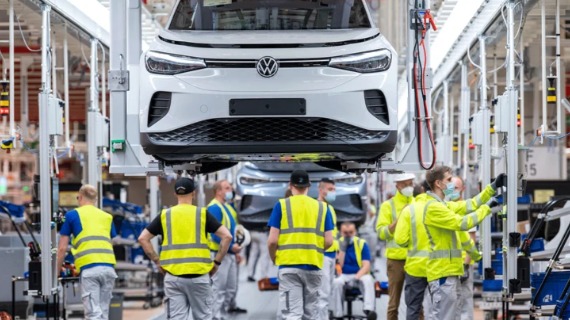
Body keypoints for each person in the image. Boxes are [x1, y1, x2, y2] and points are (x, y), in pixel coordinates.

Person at [394, 176, 491, 320]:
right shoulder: (441, 208)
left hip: (416, 268)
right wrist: (477, 257)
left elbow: (400, 240)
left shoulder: (409, 210)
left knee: (415, 309)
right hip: (440, 267)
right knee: (443, 308)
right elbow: (462, 236)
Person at [138, 177, 232, 320]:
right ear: (193, 193)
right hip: (199, 277)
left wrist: (157, 262)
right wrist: (217, 263)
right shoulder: (202, 214)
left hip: (173, 278)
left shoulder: (165, 215)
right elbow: (227, 237)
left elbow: (143, 238)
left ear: (176, 194)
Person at [423, 166, 505, 320]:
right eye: (448, 180)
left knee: (452, 316)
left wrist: (492, 188)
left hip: (450, 272)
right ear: (438, 183)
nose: (452, 184)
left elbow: (470, 204)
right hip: (442, 273)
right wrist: (487, 208)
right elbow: (463, 223)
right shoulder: (434, 208)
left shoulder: (443, 205)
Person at [267, 169, 334, 320]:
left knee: (292, 314)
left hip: (289, 266)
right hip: (313, 266)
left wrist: (274, 258)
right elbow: (329, 241)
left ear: (290, 185)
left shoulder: (281, 205)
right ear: (308, 186)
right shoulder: (322, 208)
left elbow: (272, 241)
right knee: (311, 315)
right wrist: (313, 249)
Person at [56, 185, 117, 320]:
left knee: (93, 314)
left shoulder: (72, 215)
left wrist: (56, 272)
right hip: (109, 269)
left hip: (90, 270)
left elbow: (61, 248)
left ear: (81, 197)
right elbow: (110, 242)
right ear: (95, 200)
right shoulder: (107, 216)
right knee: (103, 312)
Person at [376, 173, 415, 320]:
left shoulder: (417, 202)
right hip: (395, 260)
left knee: (416, 303)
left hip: (415, 259)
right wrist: (399, 220)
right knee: (394, 303)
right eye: (405, 184)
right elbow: (381, 233)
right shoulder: (388, 206)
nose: (408, 187)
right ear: (397, 186)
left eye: (411, 184)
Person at [208, 180, 246, 319]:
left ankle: (221, 314)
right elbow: (214, 234)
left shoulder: (224, 207)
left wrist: (234, 251)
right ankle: (214, 316)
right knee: (218, 288)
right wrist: (231, 247)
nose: (230, 191)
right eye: (227, 188)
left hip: (228, 254)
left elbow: (230, 232)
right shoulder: (214, 208)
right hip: (219, 255)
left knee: (229, 288)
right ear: (218, 191)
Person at [331, 222, 377, 320]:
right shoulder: (337, 244)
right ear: (341, 232)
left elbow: (366, 266)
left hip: (359, 275)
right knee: (336, 282)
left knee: (368, 279)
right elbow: (339, 266)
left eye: (350, 232)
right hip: (343, 275)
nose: (348, 235)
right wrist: (342, 250)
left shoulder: (361, 243)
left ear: (355, 232)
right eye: (345, 232)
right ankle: (338, 314)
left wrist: (357, 277)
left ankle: (369, 310)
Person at [317, 177, 339, 320]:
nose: (333, 192)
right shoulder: (317, 207)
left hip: (331, 255)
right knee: (322, 295)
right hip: (322, 255)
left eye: (334, 190)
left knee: (327, 292)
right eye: (330, 189)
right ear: (321, 190)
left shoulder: (330, 208)